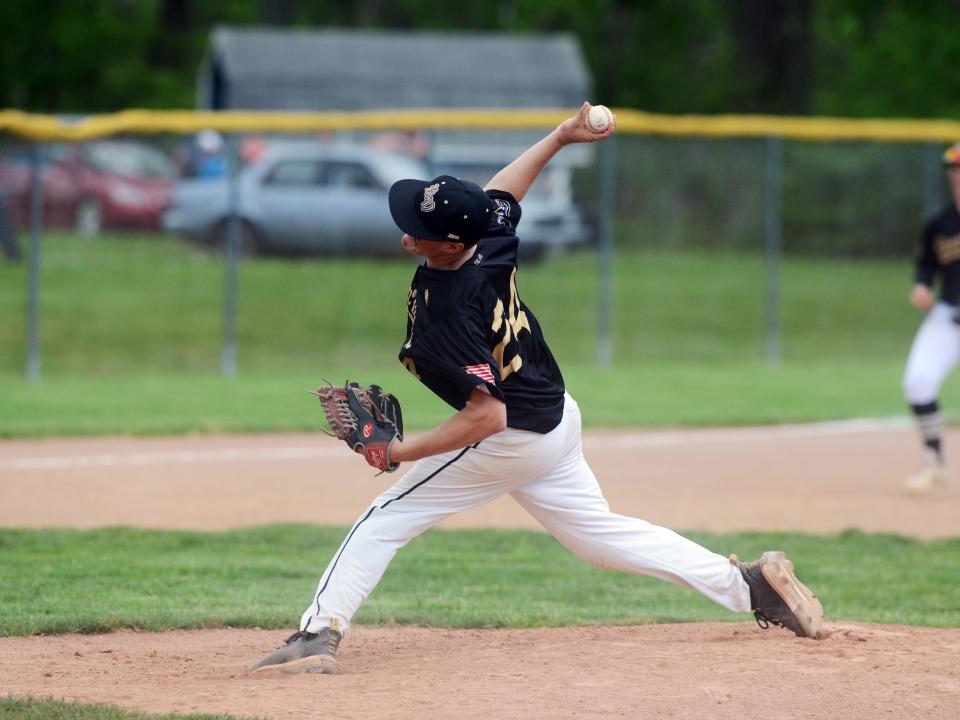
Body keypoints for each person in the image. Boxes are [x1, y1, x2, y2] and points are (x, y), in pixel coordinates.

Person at [250, 103, 824, 675]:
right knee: (599, 542)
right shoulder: (488, 239)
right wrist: (559, 137)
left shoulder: (448, 310)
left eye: (420, 229)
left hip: (513, 434)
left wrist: (399, 452)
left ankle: (317, 633)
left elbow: (486, 417)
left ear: (451, 244)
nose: (407, 231)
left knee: (385, 515)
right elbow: (501, 194)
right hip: (556, 416)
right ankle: (752, 588)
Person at [901, 143, 960, 493]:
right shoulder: (940, 224)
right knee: (918, 381)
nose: (958, 178)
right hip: (949, 315)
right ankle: (933, 461)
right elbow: (926, 263)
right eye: (954, 172)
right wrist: (921, 285)